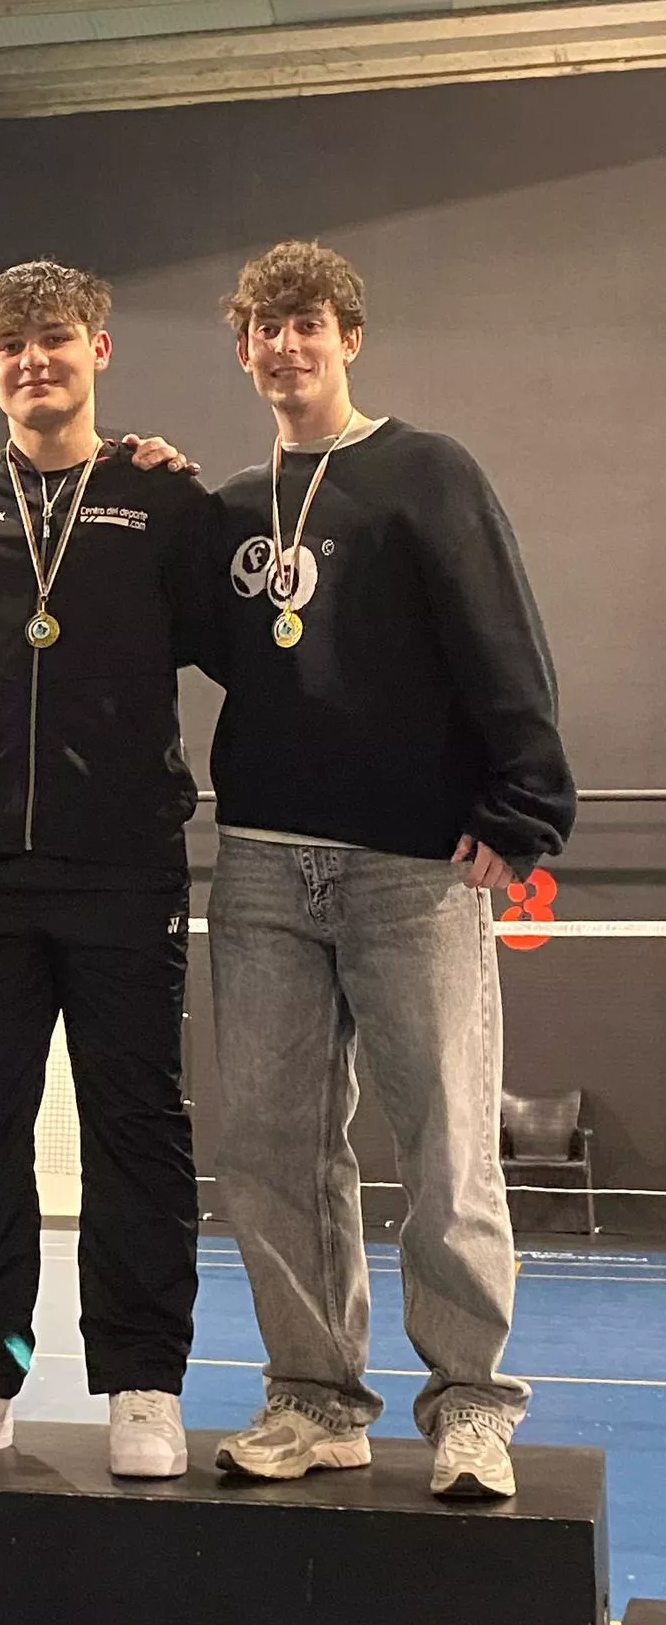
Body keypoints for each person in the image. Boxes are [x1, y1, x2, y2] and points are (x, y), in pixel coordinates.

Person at [205, 240, 576, 1500]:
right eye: (263, 324)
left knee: (447, 1144)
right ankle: (315, 1395)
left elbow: (502, 632)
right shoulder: (234, 503)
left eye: (307, 321)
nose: (286, 344)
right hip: (260, 860)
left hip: (413, 866)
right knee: (269, 1146)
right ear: (242, 345)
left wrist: (523, 804)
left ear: (348, 336)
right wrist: (142, 477)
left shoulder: (428, 470)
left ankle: (470, 1405)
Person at [0, 258, 210, 1482]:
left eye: (59, 337)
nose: (38, 359)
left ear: (100, 349)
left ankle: (145, 1382)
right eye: (14, 344)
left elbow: (241, 643)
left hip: (126, 865)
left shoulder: (163, 498)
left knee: (141, 1125)